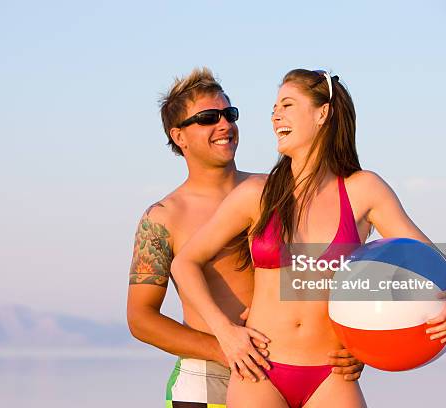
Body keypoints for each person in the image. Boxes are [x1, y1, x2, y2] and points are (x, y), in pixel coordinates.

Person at [170, 68, 446, 407]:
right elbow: (185, 263)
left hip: (332, 375)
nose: (275, 116)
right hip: (260, 372)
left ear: (322, 113)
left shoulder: (364, 190)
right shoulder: (257, 194)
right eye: (274, 108)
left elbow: (434, 264)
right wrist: (225, 334)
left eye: (287, 105)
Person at [127, 68, 365, 408]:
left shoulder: (278, 191)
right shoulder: (164, 217)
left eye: (230, 114)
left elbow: (333, 269)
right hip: (208, 378)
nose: (224, 125)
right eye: (208, 118)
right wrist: (225, 347)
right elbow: (141, 319)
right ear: (179, 136)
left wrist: (359, 344)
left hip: (292, 370)